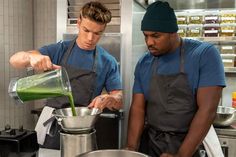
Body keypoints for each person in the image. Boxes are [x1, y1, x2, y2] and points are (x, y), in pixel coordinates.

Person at [9, 1, 122, 149]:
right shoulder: (59, 50)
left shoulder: (108, 61)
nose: (90, 38)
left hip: (83, 129)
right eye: (86, 30)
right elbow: (14, 60)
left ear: (104, 29)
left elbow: (119, 99)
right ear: (79, 22)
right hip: (51, 126)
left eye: (97, 33)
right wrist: (32, 57)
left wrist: (109, 98)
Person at [126, 1, 225, 157]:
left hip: (191, 145)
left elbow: (207, 110)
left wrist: (181, 155)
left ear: (173, 32)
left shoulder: (204, 54)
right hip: (152, 143)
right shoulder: (144, 63)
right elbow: (138, 108)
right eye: (146, 36)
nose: (149, 42)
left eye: (156, 36)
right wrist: (130, 149)